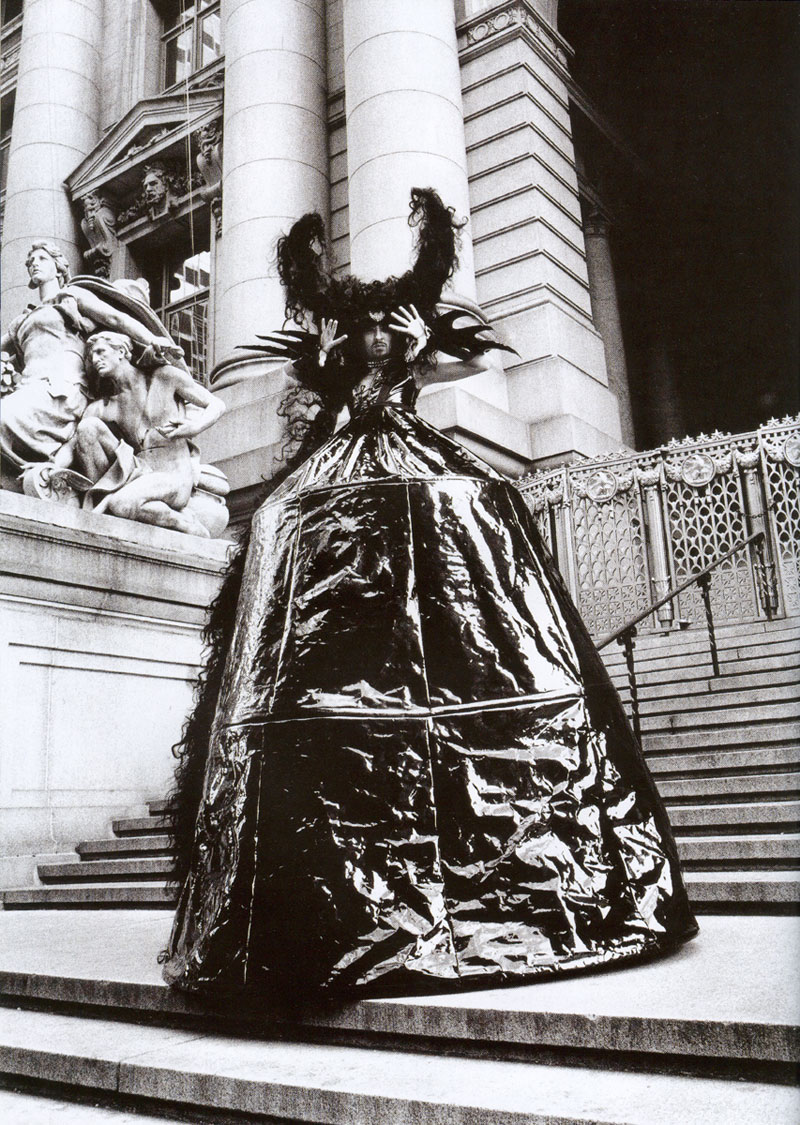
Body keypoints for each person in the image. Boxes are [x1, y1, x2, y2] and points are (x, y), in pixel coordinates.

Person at [161, 189, 697, 998]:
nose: (379, 335)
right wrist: (342, 363)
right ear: (353, 330)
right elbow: (323, 395)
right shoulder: (339, 371)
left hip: (416, 475)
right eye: (370, 327)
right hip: (347, 488)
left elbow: (476, 360)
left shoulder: (413, 355)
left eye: (389, 325)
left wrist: (418, 348)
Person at [0, 242, 182, 483]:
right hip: (28, 386)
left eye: (42, 258)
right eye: (31, 261)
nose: (35, 264)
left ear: (58, 267)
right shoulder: (22, 320)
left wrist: (152, 339)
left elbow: (115, 318)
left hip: (60, 389)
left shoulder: (71, 296)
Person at [46, 331, 225, 537]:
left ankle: (185, 523)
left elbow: (216, 404)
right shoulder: (105, 407)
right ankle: (106, 497)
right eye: (92, 356)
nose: (95, 360)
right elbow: (72, 445)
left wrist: (194, 427)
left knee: (121, 504)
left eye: (101, 352)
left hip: (173, 477)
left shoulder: (164, 377)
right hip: (138, 472)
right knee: (88, 428)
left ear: (121, 352)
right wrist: (50, 469)